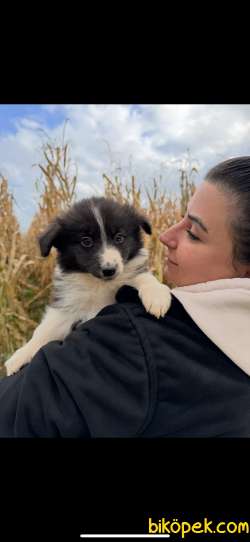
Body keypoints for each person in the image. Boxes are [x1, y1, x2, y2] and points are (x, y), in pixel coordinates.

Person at [0, 156, 250, 437]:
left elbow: (16, 413)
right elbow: (62, 316)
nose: (165, 235)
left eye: (193, 232)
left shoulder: (132, 344)